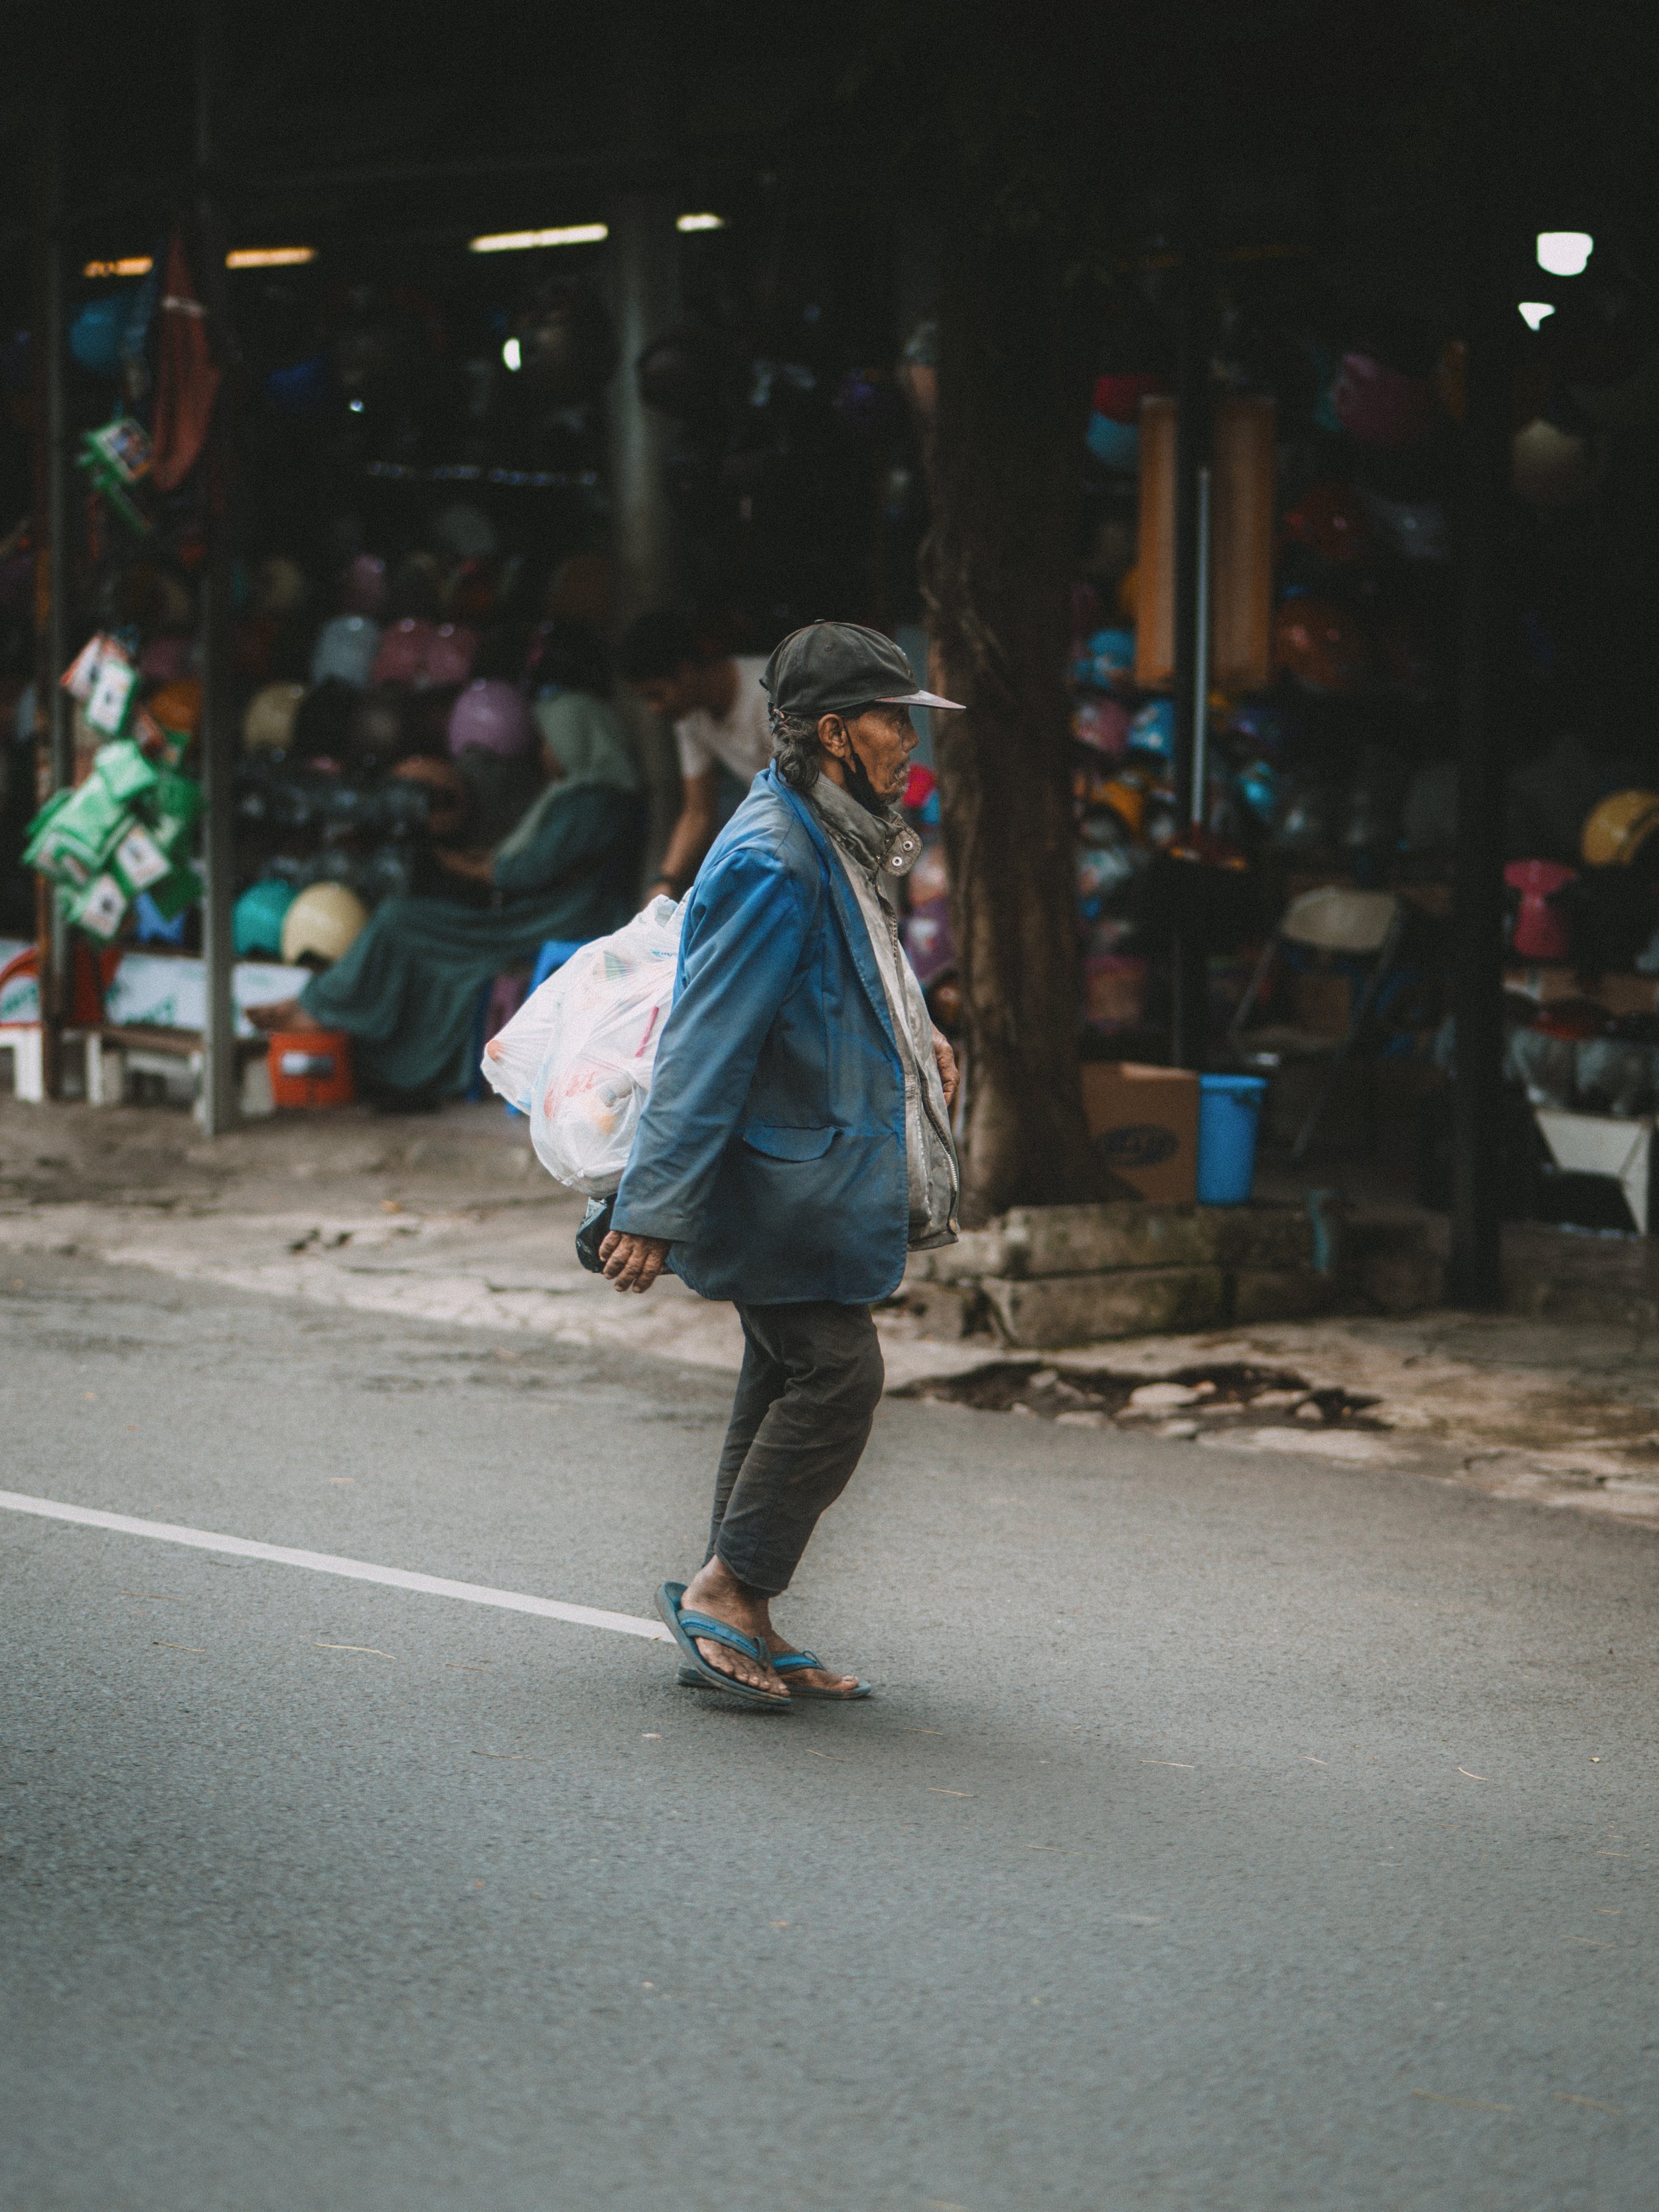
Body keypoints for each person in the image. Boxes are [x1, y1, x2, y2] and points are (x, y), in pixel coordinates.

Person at [603, 621, 965, 1707]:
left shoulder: (828, 825)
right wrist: (653, 1206)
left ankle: (744, 1601)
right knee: (837, 1372)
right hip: (775, 1180)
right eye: (890, 721)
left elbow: (853, 957)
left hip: (813, 1170)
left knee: (783, 1369)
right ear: (827, 733)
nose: (909, 743)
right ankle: (728, 1586)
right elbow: (709, 1039)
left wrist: (917, 1027)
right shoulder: (772, 852)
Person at [249, 630, 644, 1104]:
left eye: (549, 741)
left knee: (400, 921)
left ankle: (320, 1008)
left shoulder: (593, 803)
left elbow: (515, 874)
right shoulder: (584, 797)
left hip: (551, 919)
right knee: (409, 922)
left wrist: (452, 861)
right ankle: (319, 1005)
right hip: (549, 909)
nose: (543, 753)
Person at [615, 612, 772, 903]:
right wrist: (665, 882)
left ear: (686, 672)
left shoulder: (768, 693)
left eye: (656, 695)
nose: (654, 709)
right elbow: (698, 811)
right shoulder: (690, 717)